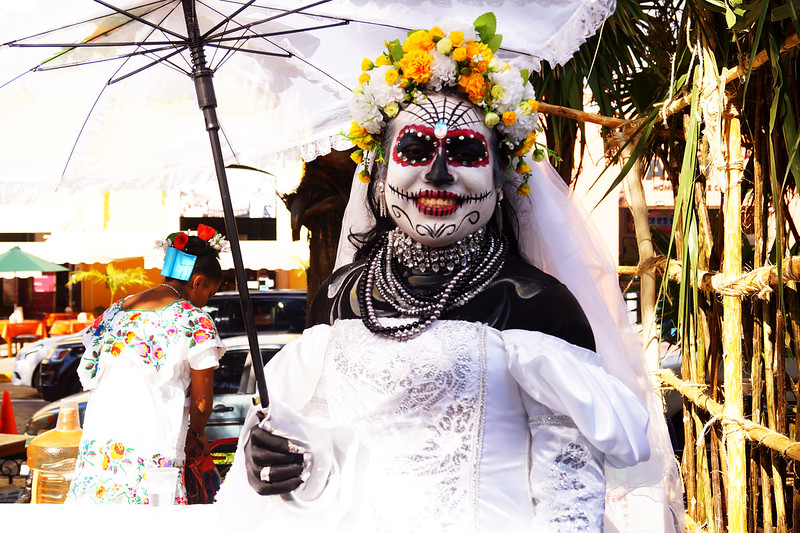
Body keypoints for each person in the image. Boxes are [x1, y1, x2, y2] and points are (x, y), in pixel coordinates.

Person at [216, 16, 683, 532]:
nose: (438, 174)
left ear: (500, 178)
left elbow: (569, 495)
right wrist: (284, 464)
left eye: (464, 152)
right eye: (415, 151)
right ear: (377, 177)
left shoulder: (535, 303)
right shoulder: (340, 297)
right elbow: (324, 459)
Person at [65, 225, 228, 505]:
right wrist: (197, 433)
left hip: (102, 440)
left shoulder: (116, 310)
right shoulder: (195, 321)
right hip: (154, 441)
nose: (207, 301)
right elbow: (202, 401)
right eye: (209, 294)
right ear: (198, 282)